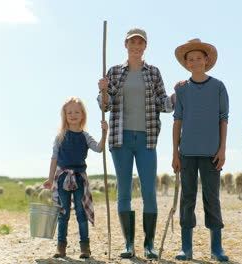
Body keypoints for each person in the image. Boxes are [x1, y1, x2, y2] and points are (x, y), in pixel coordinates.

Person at [97, 28, 176, 259]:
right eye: (132, 42)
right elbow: (106, 105)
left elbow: (162, 102)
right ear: (125, 44)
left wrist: (175, 97)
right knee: (124, 192)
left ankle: (149, 243)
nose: (136, 46)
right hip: (120, 139)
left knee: (149, 191)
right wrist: (102, 91)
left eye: (140, 43)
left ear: (145, 46)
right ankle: (128, 244)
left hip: (147, 138)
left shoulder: (153, 72)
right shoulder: (113, 72)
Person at [172, 39, 230, 262]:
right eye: (191, 59)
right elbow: (177, 121)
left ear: (206, 60)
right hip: (187, 152)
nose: (195, 62)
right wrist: (175, 153)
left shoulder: (218, 87)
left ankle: (217, 247)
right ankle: (186, 248)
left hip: (211, 153)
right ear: (186, 63)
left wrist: (222, 149)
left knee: (211, 198)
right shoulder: (182, 89)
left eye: (199, 58)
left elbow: (223, 120)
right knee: (187, 199)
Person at [43, 96, 107, 259]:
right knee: (63, 213)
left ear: (82, 115)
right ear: (64, 115)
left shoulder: (85, 136)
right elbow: (54, 158)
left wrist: (104, 133)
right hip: (63, 177)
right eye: (69, 112)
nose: (73, 115)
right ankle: (61, 247)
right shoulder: (60, 136)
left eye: (77, 112)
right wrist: (50, 179)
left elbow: (99, 149)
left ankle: (85, 247)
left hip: (79, 178)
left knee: (81, 213)